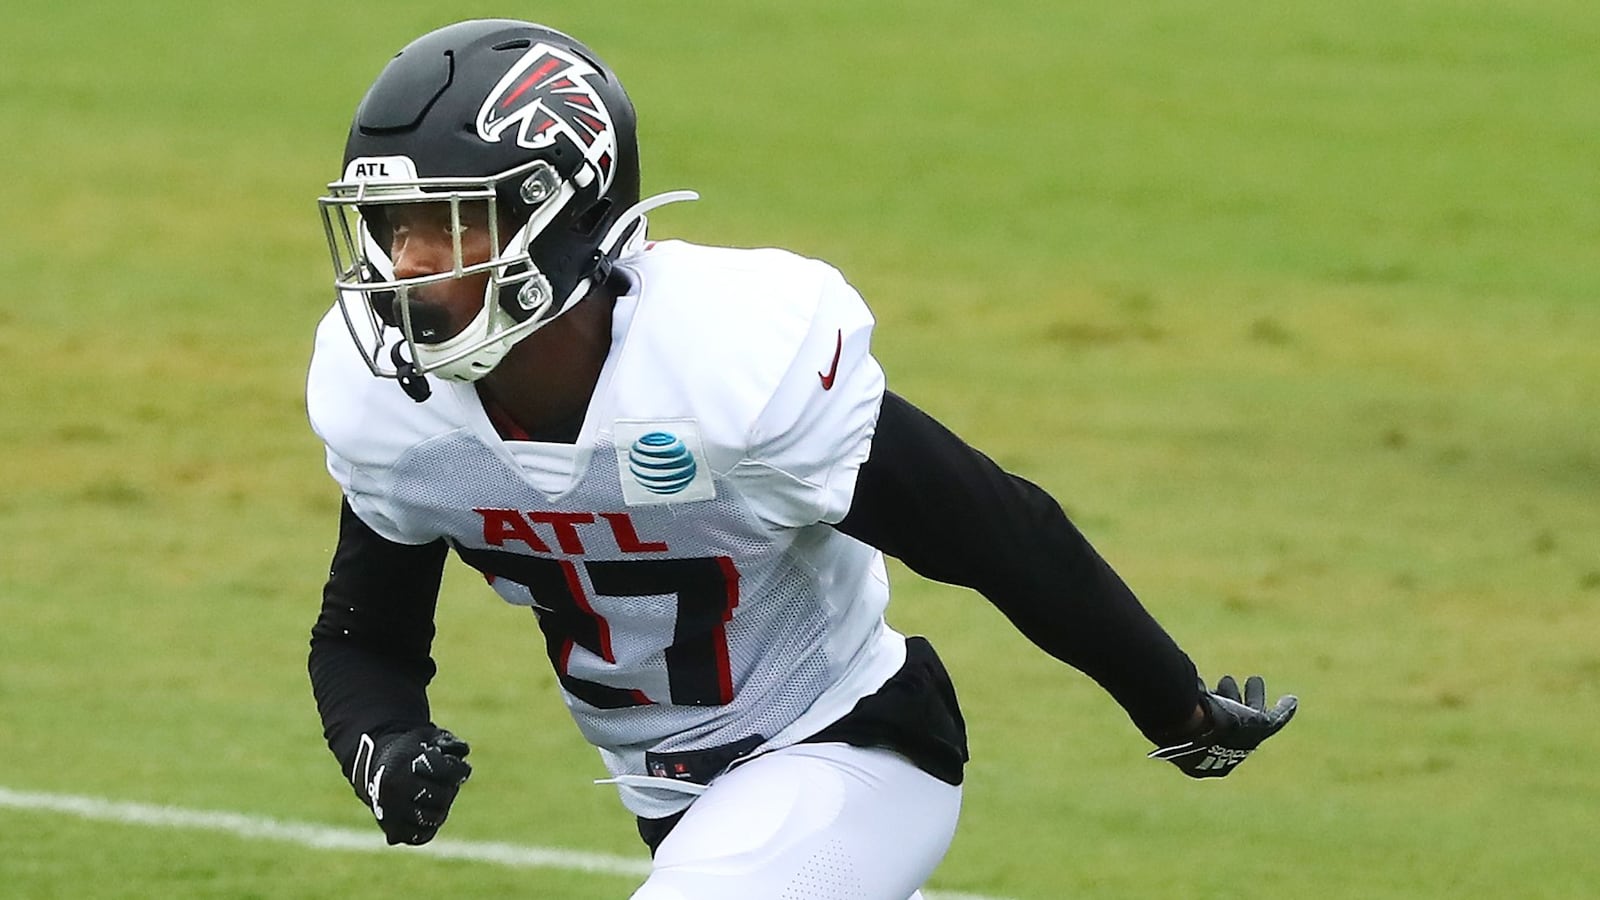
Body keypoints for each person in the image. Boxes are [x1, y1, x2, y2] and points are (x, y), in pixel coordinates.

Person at [305, 18, 1298, 900]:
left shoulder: (722, 367)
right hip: (681, 804)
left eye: (449, 224)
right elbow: (362, 636)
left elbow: (993, 531)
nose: (409, 268)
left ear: (559, 214)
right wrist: (384, 745)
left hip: (848, 748)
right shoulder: (398, 411)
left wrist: (1171, 703)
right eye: (395, 231)